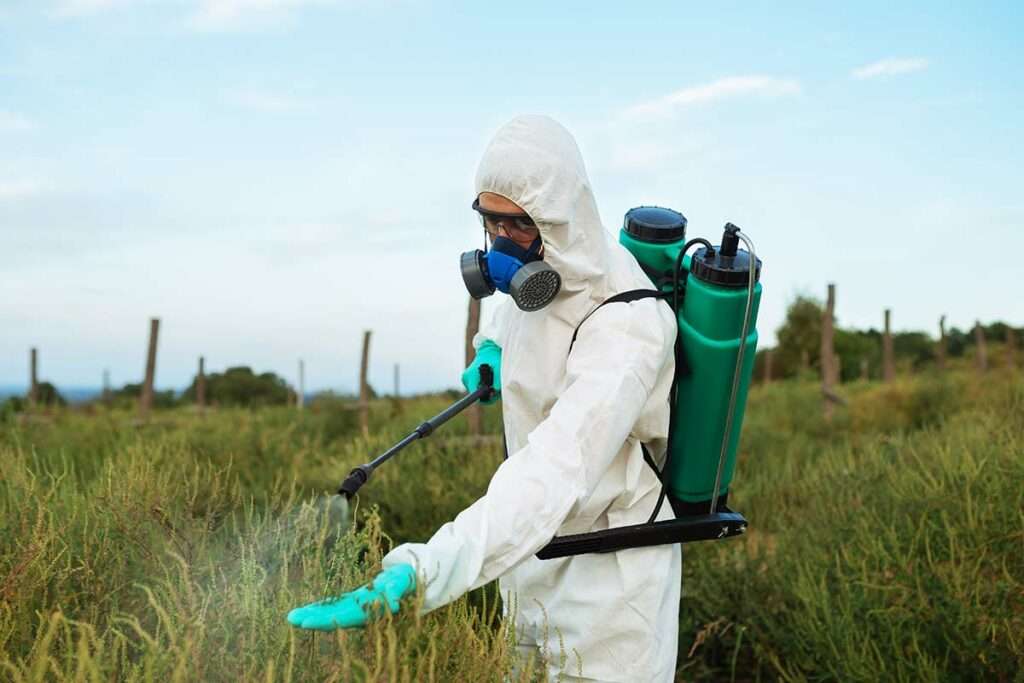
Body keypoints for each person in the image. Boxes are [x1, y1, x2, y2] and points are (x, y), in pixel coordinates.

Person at [289, 115, 682, 682]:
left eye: (517, 227)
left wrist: (427, 570)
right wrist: (492, 347)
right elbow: (516, 313)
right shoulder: (543, 276)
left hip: (608, 590)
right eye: (489, 223)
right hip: (529, 560)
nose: (501, 246)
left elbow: (555, 469)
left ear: (560, 218)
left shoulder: (628, 325)